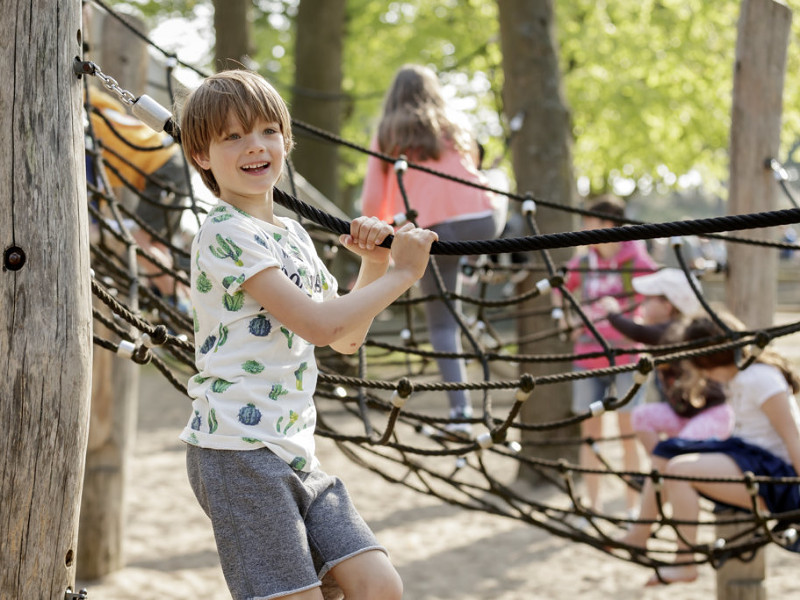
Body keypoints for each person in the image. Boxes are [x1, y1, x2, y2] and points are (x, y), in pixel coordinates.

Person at [178, 69, 438, 600]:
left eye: (268, 131)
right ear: (202, 155)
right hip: (237, 449)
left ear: (286, 140)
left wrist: (371, 265)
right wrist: (401, 275)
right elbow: (319, 326)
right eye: (232, 137)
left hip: (295, 447)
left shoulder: (292, 234)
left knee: (377, 585)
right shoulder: (225, 231)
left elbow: (345, 337)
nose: (255, 146)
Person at [361, 64, 500, 434]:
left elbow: (373, 201)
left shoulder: (389, 134)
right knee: (493, 206)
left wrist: (384, 232)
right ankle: (474, 261)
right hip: (482, 221)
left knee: (441, 322)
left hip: (434, 233)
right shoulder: (455, 127)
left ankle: (461, 414)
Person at [614, 311, 800, 586]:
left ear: (703, 360)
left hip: (775, 476)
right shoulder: (740, 376)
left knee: (679, 470)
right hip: (749, 455)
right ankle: (640, 534)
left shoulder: (761, 378)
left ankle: (684, 563)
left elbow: (792, 435)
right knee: (667, 451)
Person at [554, 194, 658, 515]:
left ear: (607, 224)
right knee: (591, 436)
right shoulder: (583, 262)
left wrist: (642, 323)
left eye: (589, 221)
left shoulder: (636, 261)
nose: (584, 227)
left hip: (627, 355)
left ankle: (630, 509)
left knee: (629, 434)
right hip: (588, 355)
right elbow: (560, 288)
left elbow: (661, 292)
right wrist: (566, 319)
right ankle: (593, 507)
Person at [597, 268, 734, 455]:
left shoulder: (676, 330)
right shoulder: (666, 330)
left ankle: (667, 465)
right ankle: (661, 465)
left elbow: (638, 332)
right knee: (641, 415)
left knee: (680, 452)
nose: (643, 303)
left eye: (648, 299)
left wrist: (612, 314)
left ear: (667, 306)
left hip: (708, 412)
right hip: (681, 412)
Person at [86, 85, 191, 303]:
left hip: (163, 166)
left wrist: (97, 228)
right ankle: (183, 292)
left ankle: (180, 302)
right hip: (168, 160)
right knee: (158, 244)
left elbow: (93, 190)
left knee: (140, 240)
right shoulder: (99, 111)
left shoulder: (88, 124)